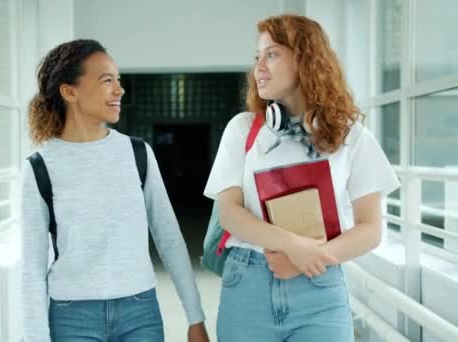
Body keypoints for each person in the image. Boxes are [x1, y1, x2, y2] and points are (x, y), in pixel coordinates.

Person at [204, 15, 400, 341]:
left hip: (319, 283)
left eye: (272, 54)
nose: (259, 68)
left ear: (306, 58)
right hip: (249, 283)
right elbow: (230, 213)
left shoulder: (351, 136)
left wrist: (307, 260)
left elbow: (370, 229)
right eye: (257, 57)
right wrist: (293, 246)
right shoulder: (242, 130)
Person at [20, 39, 209, 342]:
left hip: (140, 312)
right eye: (107, 81)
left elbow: (169, 238)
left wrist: (194, 315)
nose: (119, 90)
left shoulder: (138, 153)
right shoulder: (40, 167)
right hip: (71, 318)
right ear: (70, 91)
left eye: (118, 81)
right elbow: (31, 268)